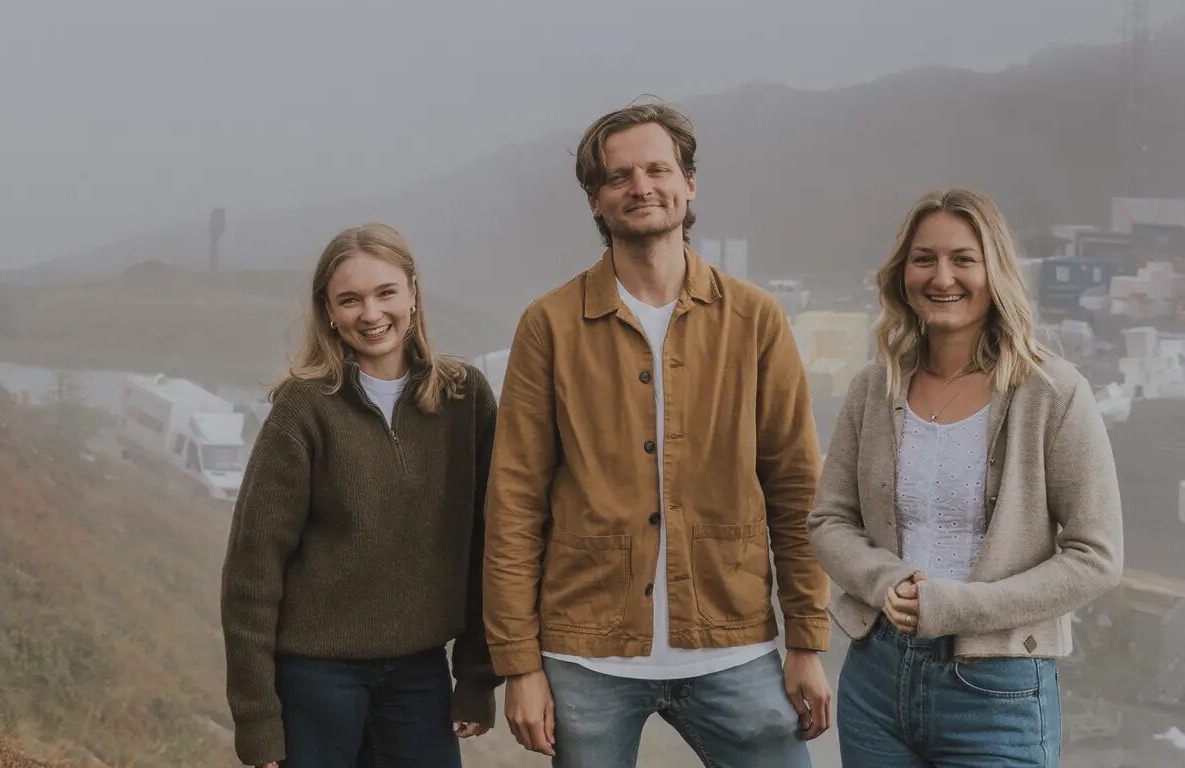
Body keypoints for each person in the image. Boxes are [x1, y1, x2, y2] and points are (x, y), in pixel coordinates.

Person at [483, 101, 832, 768]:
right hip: (584, 655)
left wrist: (806, 644)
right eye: (619, 177)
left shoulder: (755, 319)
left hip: (735, 645)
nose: (640, 187)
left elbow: (795, 489)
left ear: (688, 183)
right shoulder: (548, 326)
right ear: (594, 200)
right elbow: (514, 504)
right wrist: (519, 666)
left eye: (657, 169)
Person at [808, 189, 1124, 767]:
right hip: (876, 677)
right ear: (902, 273)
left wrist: (957, 607)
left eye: (963, 258)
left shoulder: (1053, 393)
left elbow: (1095, 555)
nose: (941, 276)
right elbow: (830, 520)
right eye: (924, 258)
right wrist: (885, 582)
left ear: (995, 270)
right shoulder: (871, 389)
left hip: (998, 688)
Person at [220, 222, 500, 768]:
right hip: (315, 679)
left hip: (422, 674)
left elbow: (488, 546)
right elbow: (252, 573)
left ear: (414, 293)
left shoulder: (464, 397)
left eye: (385, 293)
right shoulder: (304, 409)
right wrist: (257, 719)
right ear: (328, 311)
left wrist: (476, 675)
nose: (370, 314)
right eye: (349, 300)